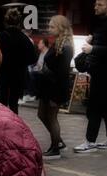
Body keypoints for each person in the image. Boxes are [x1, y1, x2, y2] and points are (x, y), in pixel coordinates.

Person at [37, 16, 74, 160]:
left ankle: (55, 148)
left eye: (52, 27)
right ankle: (58, 140)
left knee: (52, 117)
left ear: (61, 28)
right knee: (41, 114)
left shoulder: (66, 46)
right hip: (47, 86)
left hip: (55, 88)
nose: (49, 29)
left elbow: (62, 73)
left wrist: (55, 92)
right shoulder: (57, 42)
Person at [74, 0, 107, 153]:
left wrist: (93, 48)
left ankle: (90, 141)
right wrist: (91, 39)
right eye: (95, 4)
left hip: (103, 73)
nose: (95, 7)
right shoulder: (99, 22)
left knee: (93, 108)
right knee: (102, 108)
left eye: (100, 4)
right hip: (98, 71)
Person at [0, 8, 37, 114]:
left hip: (3, 74)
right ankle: (14, 127)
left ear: (5, 22)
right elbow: (33, 58)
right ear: (19, 23)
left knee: (1, 103)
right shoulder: (24, 39)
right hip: (18, 75)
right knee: (14, 104)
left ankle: (2, 126)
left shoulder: (0, 37)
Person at [23, 38, 50, 102]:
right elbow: (37, 64)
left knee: (32, 74)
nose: (38, 45)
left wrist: (35, 69)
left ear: (43, 44)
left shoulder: (48, 54)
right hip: (37, 70)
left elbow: (45, 67)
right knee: (26, 71)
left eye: (39, 43)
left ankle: (32, 94)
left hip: (43, 72)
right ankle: (27, 93)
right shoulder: (41, 53)